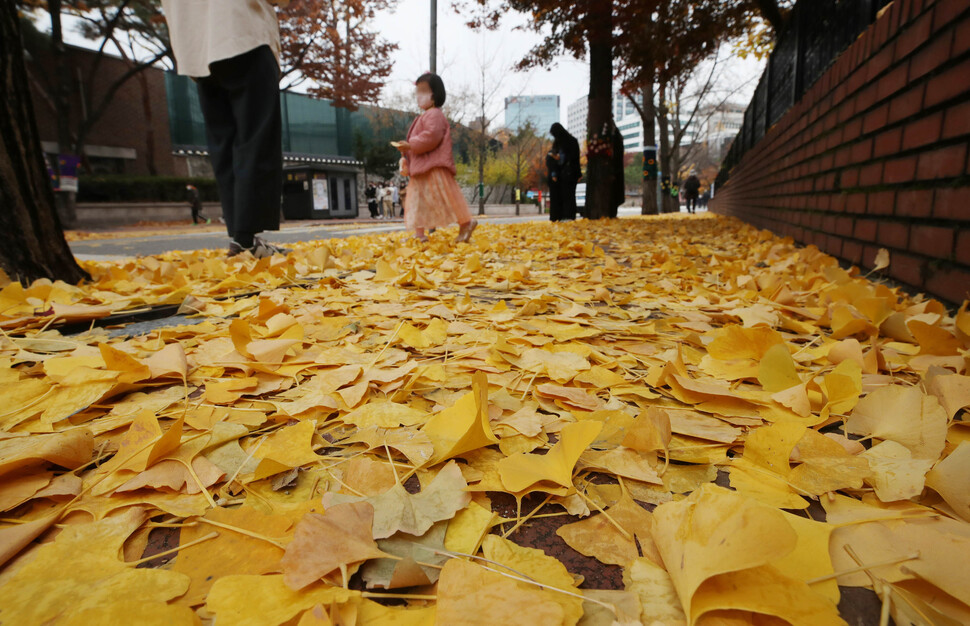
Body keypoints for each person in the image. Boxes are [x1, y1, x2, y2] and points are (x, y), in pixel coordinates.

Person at [160, 0, 290, 258]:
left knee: (223, 143)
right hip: (242, 29)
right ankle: (244, 238)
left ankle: (241, 236)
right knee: (256, 137)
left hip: (196, 47)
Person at [395, 73, 477, 243]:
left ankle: (466, 223)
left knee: (442, 197)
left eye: (424, 91)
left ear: (435, 94)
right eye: (418, 91)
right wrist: (407, 155)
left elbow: (432, 136)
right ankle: (420, 234)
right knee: (422, 201)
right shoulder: (427, 116)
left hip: (433, 166)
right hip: (424, 167)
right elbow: (425, 138)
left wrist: (410, 145)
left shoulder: (434, 115)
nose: (419, 95)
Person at [549, 123, 580, 221]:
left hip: (568, 172)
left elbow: (573, 158)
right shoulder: (562, 142)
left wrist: (560, 158)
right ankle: (566, 215)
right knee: (566, 195)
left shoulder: (568, 142)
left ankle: (568, 215)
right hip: (564, 172)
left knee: (568, 195)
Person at [609, 121, 624, 219]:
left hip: (614, 169)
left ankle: (611, 212)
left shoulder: (614, 139)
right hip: (616, 169)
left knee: (613, 194)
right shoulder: (618, 137)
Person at [545, 148, 562, 220]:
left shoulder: (550, 154)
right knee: (557, 198)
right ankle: (556, 216)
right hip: (556, 178)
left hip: (552, 178)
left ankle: (554, 216)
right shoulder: (557, 154)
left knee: (554, 198)